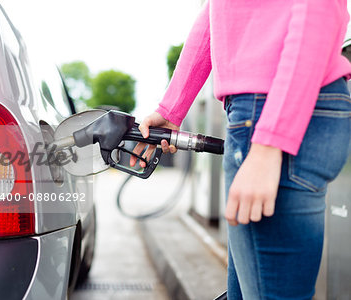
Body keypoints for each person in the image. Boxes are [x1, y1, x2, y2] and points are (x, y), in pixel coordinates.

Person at [130, 0, 351, 299]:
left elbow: (319, 7)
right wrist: (172, 109)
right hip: (263, 108)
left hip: (273, 105)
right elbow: (216, 12)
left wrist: (271, 141)